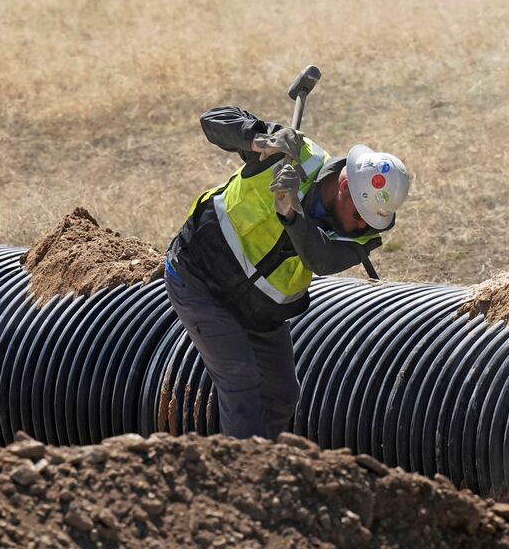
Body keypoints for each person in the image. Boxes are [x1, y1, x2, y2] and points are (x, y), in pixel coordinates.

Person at [164, 106, 410, 440]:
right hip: (201, 280)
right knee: (240, 380)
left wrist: (292, 214)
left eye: (372, 219)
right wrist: (259, 141)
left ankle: (262, 460)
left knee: (281, 394)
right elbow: (213, 121)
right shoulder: (294, 154)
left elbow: (320, 259)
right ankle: (245, 474)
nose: (363, 225)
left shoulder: (361, 236)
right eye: (360, 213)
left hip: (261, 314)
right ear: (343, 185)